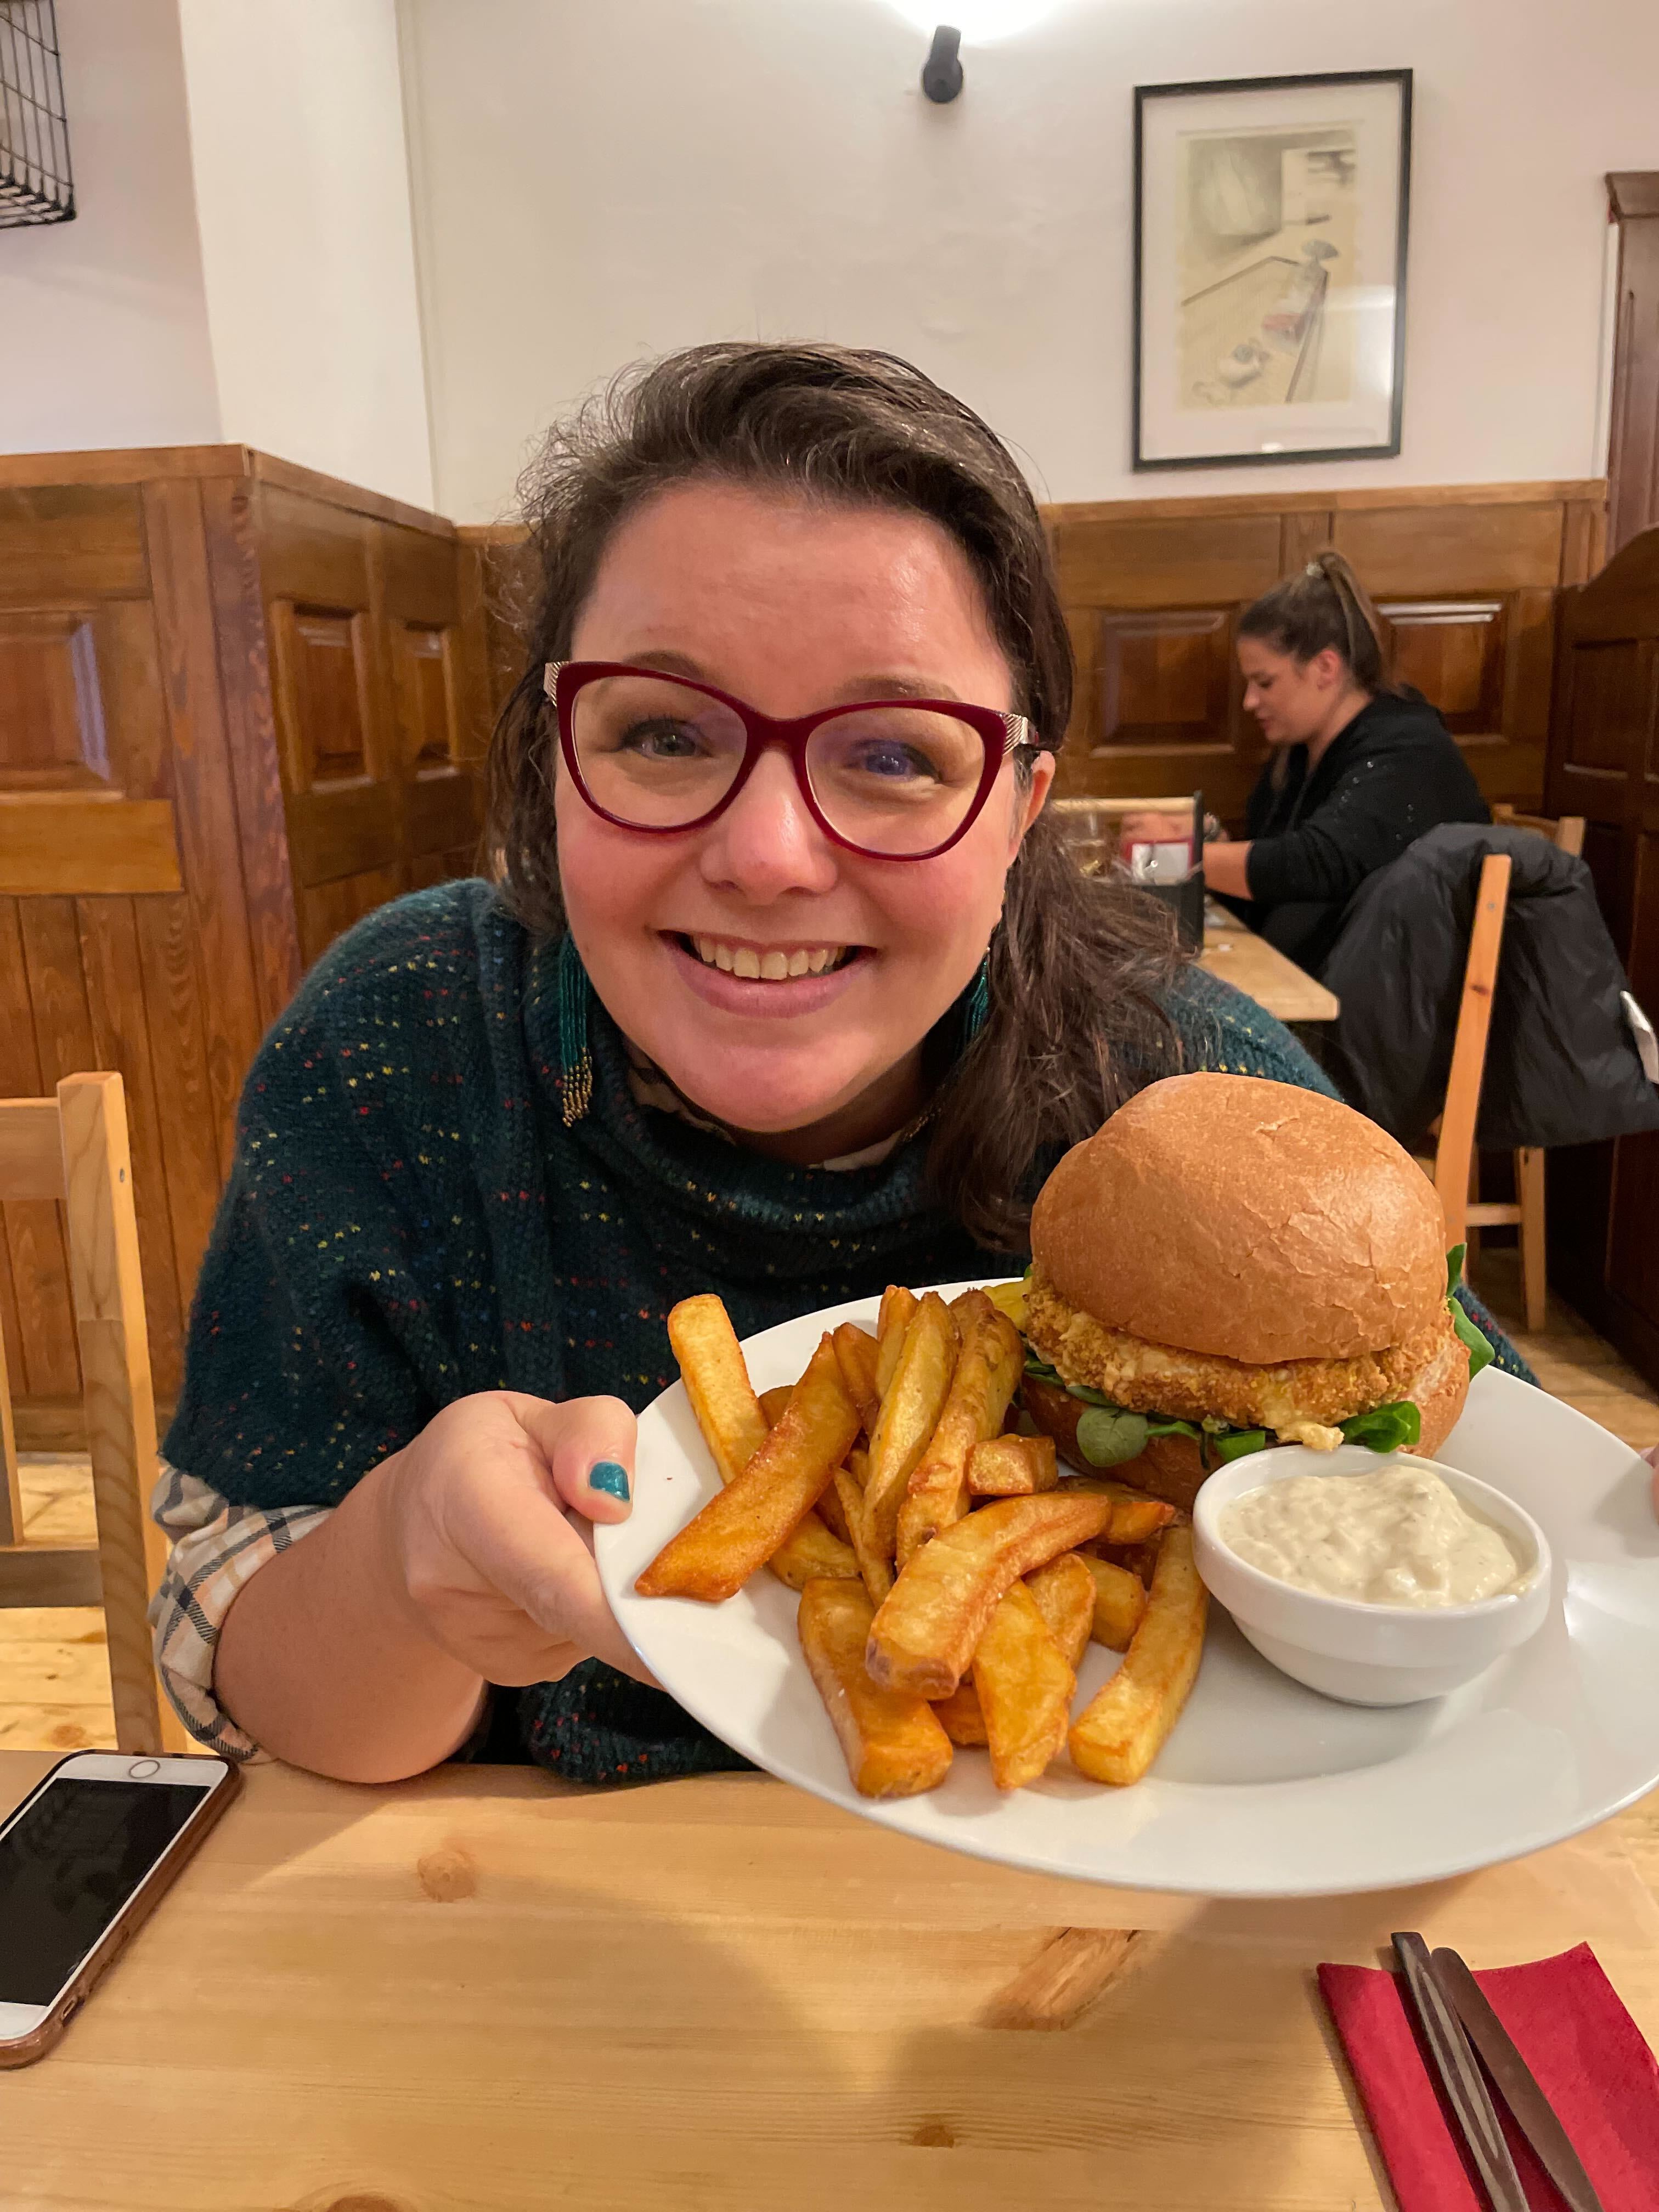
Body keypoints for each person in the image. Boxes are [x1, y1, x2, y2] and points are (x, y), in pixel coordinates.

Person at [149, 345, 1526, 1787]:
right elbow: (260, 1686)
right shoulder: (398, 1042)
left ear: (1016, 808)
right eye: (665, 734)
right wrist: (398, 1561)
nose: (766, 856)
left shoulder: (1190, 1091)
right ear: (555, 761)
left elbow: (1477, 1495)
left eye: (893, 756)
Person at [1124, 551, 1490, 975]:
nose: (1249, 701)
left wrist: (1172, 855)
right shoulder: (1297, 755)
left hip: (1396, 1007)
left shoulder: (1409, 747)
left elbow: (1316, 864)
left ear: (1325, 668)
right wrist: (1209, 841)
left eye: (1265, 682)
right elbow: (1271, 884)